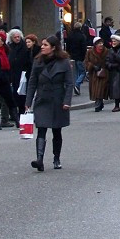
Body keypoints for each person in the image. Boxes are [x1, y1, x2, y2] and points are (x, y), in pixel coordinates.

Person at [25, 36, 74, 170]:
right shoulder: (38, 61)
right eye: (42, 44)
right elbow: (32, 82)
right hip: (42, 99)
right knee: (41, 128)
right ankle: (39, 159)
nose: (42, 47)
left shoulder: (64, 62)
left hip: (58, 100)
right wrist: (28, 101)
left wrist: (67, 101)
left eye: (45, 45)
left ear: (53, 47)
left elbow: (69, 84)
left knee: (56, 130)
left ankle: (56, 158)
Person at [84, 36, 109, 111]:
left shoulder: (106, 51)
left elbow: (109, 60)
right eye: (99, 43)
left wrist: (105, 66)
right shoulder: (90, 52)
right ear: (95, 44)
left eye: (102, 43)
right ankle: (99, 102)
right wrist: (92, 66)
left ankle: (98, 102)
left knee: (101, 88)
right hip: (94, 74)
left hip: (103, 72)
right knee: (95, 89)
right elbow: (86, 62)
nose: (101, 45)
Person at [106, 34, 120, 111]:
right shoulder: (111, 50)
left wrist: (116, 56)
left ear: (119, 41)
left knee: (117, 88)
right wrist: (110, 65)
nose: (113, 43)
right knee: (116, 88)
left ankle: (117, 105)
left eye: (115, 41)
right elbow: (107, 60)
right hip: (113, 71)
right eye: (112, 41)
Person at [66, 22, 88, 94]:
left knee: (75, 73)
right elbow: (83, 48)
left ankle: (76, 87)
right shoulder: (82, 36)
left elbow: (67, 47)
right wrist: (83, 56)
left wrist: (69, 54)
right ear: (80, 27)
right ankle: (77, 84)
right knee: (82, 72)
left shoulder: (70, 35)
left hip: (72, 56)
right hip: (79, 57)